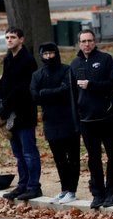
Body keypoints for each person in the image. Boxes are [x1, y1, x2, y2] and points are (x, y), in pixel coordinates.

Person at [71, 29, 113, 209]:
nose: (87, 44)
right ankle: (98, 193)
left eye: (90, 41)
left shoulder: (106, 59)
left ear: (95, 42)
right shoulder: (75, 64)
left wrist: (91, 85)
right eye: (83, 41)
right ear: (79, 43)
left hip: (108, 117)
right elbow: (72, 94)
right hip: (86, 120)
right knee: (93, 159)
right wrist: (76, 116)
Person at [30, 43, 80, 204]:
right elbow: (34, 96)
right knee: (59, 158)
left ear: (56, 53)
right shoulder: (38, 75)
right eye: (45, 54)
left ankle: (72, 190)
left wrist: (45, 93)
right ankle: (64, 189)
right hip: (50, 121)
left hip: (69, 119)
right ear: (41, 56)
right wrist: (49, 93)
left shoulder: (66, 70)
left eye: (52, 53)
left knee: (72, 157)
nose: (49, 57)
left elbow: (66, 90)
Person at [0, 27, 40, 201]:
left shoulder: (28, 61)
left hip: (24, 113)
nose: (9, 40)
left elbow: (22, 89)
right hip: (10, 115)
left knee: (29, 152)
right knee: (18, 153)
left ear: (21, 39)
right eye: (7, 37)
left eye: (13, 37)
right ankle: (22, 184)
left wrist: (5, 105)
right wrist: (0, 102)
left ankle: (33, 186)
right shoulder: (8, 60)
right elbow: (2, 84)